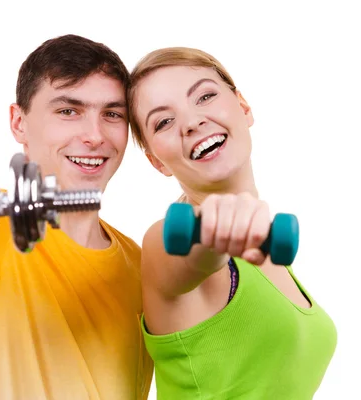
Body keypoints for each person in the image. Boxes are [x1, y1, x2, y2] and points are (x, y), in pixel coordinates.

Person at [0, 34, 154, 399]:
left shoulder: (142, 266)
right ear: (18, 123)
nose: (94, 135)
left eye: (112, 114)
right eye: (68, 111)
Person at [126, 47, 337, 399]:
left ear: (243, 107)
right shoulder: (166, 241)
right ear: (156, 162)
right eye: (163, 121)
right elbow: (193, 255)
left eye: (205, 96)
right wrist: (213, 231)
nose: (192, 122)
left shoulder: (263, 247)